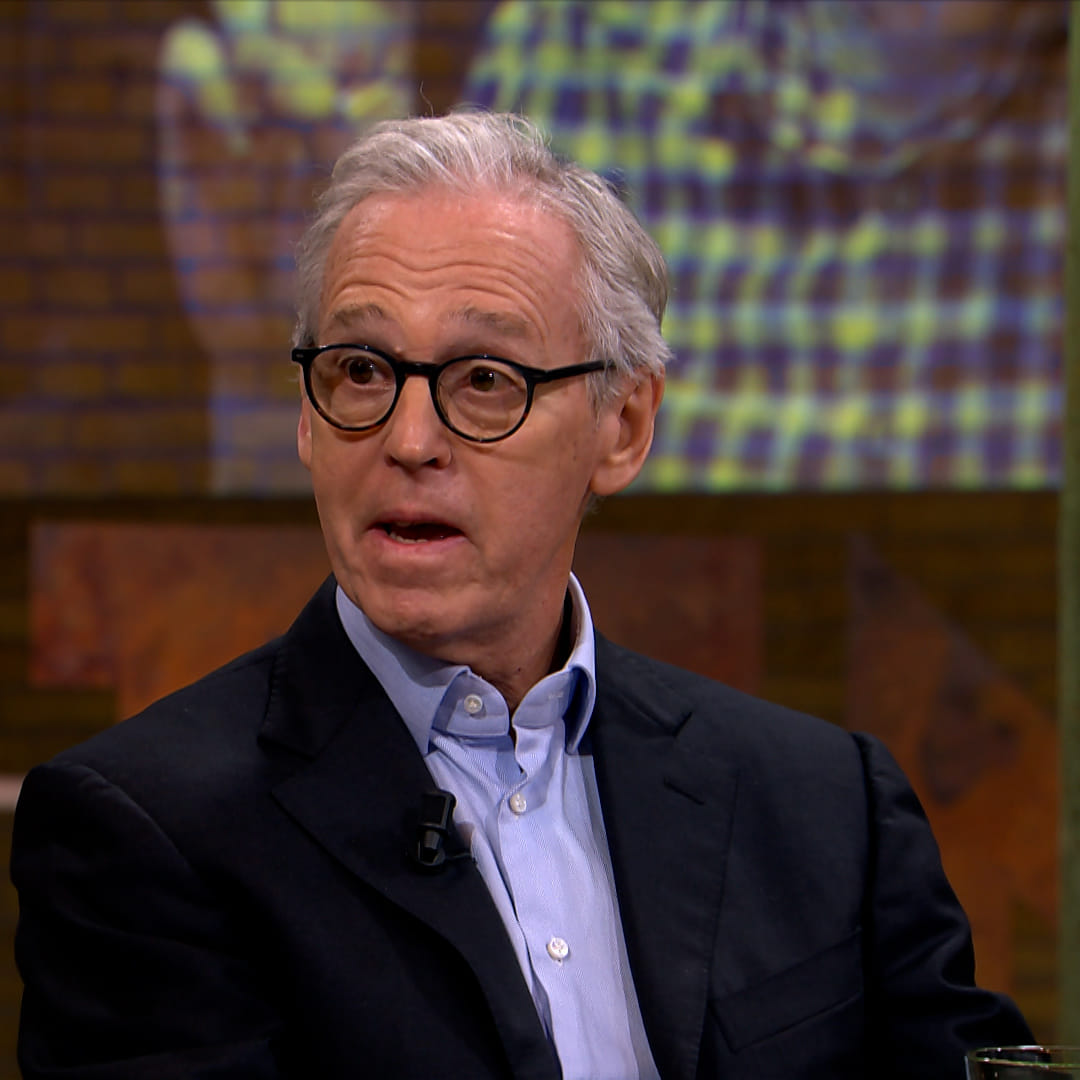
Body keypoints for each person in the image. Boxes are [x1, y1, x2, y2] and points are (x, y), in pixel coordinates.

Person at [12, 111, 1031, 1080]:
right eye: (361, 370)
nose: (410, 441)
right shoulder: (144, 832)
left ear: (623, 427)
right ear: (309, 422)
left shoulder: (824, 805)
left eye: (486, 380)